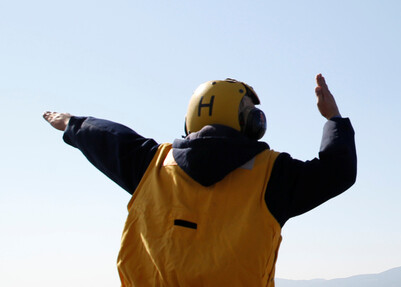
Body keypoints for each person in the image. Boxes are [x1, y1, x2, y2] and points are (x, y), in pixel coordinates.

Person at [42, 73, 356, 287]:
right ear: (249, 122)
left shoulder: (150, 163)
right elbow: (338, 171)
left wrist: (71, 124)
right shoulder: (274, 175)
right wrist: (334, 119)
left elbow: (106, 135)